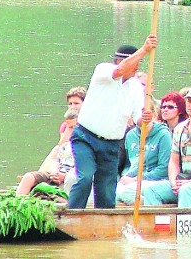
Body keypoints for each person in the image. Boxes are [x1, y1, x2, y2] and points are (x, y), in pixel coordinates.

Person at [68, 35, 157, 209]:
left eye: (137, 64)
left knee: (107, 190)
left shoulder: (136, 88)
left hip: (111, 144)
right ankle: (74, 213)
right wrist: (144, 50)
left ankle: (104, 220)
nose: (135, 68)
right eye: (132, 63)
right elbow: (119, 71)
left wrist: (144, 119)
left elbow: (139, 118)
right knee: (85, 177)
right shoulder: (103, 70)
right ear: (118, 61)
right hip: (86, 137)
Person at [116, 102, 171, 205]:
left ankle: (152, 204)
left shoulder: (163, 135)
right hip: (133, 179)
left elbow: (163, 169)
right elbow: (130, 165)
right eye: (138, 112)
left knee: (126, 192)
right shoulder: (130, 135)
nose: (142, 115)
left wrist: (136, 179)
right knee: (111, 192)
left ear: (153, 114)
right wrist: (126, 176)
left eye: (144, 111)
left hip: (156, 180)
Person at [17, 108, 79, 196]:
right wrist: (54, 172)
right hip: (56, 173)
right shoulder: (65, 146)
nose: (71, 131)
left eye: (74, 127)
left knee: (70, 180)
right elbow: (57, 161)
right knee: (28, 177)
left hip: (70, 176)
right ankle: (19, 202)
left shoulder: (85, 147)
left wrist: (64, 176)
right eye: (69, 128)